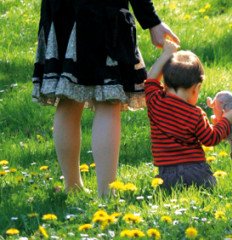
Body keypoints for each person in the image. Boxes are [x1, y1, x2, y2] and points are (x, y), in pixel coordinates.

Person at [31, 0, 179, 197]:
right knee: (108, 100)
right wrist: (152, 21)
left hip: (60, 10)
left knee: (68, 99)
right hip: (103, 11)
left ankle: (72, 187)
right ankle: (106, 193)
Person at [144, 41, 232, 190]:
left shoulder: (155, 103)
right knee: (206, 188)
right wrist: (226, 120)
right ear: (196, 88)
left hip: (166, 176)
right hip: (197, 173)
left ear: (165, 84)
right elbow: (210, 138)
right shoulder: (195, 114)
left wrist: (166, 54)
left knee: (168, 192)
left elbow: (150, 80)